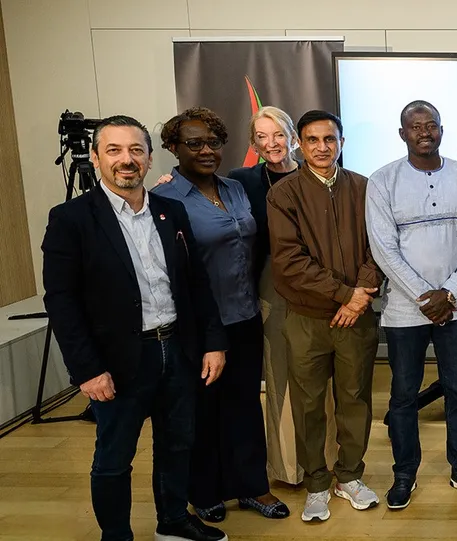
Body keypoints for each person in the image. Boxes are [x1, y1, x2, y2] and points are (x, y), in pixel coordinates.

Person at [42, 115, 229, 541]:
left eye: (135, 150)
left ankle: (173, 521)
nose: (126, 159)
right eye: (114, 150)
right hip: (118, 360)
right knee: (114, 457)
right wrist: (87, 370)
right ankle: (116, 535)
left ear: (147, 158)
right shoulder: (71, 219)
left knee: (177, 443)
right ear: (95, 158)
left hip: (177, 350)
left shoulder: (171, 211)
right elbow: (62, 302)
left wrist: (213, 343)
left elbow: (196, 283)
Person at [152, 107, 288, 521]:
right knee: (203, 409)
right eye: (194, 143)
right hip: (198, 325)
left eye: (213, 142)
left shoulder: (235, 188)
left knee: (244, 404)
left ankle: (251, 487)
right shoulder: (164, 199)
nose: (206, 150)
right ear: (173, 147)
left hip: (244, 314)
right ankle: (205, 491)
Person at [367, 101, 457, 510]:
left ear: (442, 130)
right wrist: (426, 296)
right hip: (406, 312)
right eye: (415, 126)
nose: (424, 132)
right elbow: (383, 249)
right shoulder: (382, 181)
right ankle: (404, 473)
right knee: (404, 395)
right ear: (402, 133)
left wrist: (450, 292)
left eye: (431, 125)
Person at [266, 109, 383, 522]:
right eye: (312, 140)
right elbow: (289, 261)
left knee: (355, 399)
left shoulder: (365, 188)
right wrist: (344, 295)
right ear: (299, 144)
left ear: (341, 142)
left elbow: (380, 247)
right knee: (309, 404)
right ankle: (316, 482)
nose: (321, 147)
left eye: (329, 139)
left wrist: (358, 298)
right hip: (307, 318)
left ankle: (349, 476)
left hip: (357, 318)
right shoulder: (284, 194)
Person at [227, 106, 342, 487]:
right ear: (253, 144)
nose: (271, 143)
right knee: (278, 376)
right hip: (270, 286)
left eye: (278, 134)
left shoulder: (321, 175)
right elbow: (203, 197)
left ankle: (327, 460)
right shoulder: (240, 181)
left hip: (321, 285)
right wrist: (169, 181)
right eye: (262, 137)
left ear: (293, 138)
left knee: (321, 376)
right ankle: (286, 468)